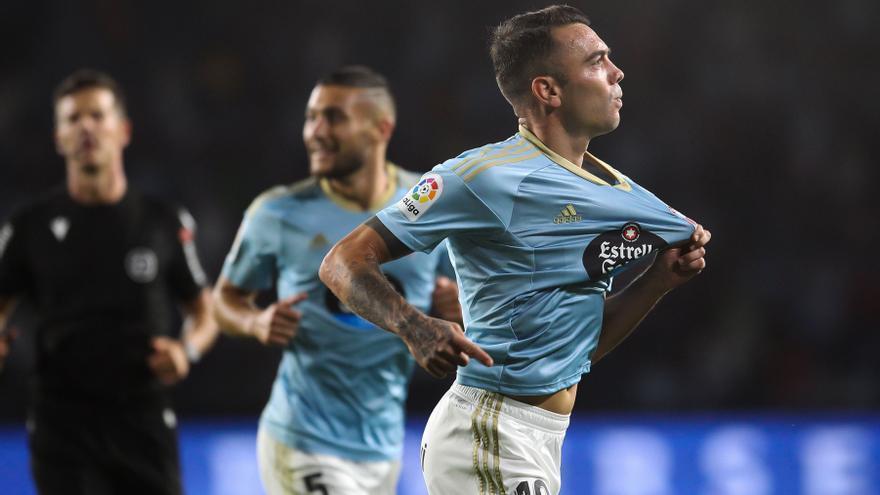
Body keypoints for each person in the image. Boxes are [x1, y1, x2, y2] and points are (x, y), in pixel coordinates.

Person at [319, 5, 712, 494]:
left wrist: (658, 281)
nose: (616, 72)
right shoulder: (482, 177)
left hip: (538, 438)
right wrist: (413, 325)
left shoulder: (608, 190)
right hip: (489, 432)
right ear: (547, 90)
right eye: (596, 61)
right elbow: (342, 262)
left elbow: (577, 353)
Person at [212, 65, 460, 495]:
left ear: (381, 128)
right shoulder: (277, 213)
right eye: (311, 117)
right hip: (301, 438)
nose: (315, 131)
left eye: (334, 118)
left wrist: (460, 309)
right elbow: (225, 300)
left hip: (383, 446)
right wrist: (254, 322)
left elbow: (459, 302)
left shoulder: (425, 207)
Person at [0, 69, 218, 495]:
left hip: (142, 416)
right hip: (62, 422)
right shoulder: (30, 226)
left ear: (123, 130)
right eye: (73, 118)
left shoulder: (162, 221)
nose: (86, 127)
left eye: (98, 116)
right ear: (58, 137)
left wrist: (186, 350)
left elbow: (203, 311)